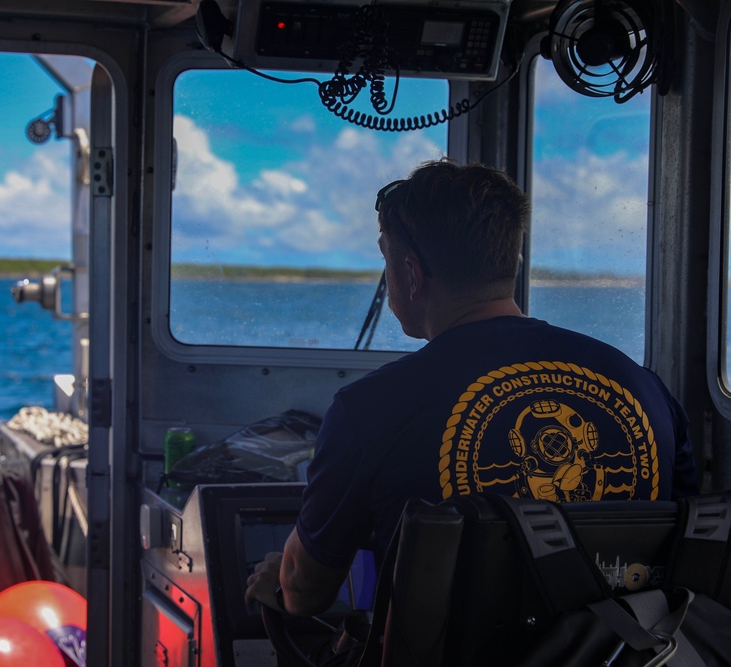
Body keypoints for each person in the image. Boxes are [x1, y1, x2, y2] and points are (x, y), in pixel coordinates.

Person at [244, 158, 699, 617]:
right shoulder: (646, 392)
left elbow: (304, 592)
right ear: (511, 263)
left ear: (411, 274)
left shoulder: (368, 410)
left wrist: (277, 577)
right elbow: (684, 559)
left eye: (386, 262)